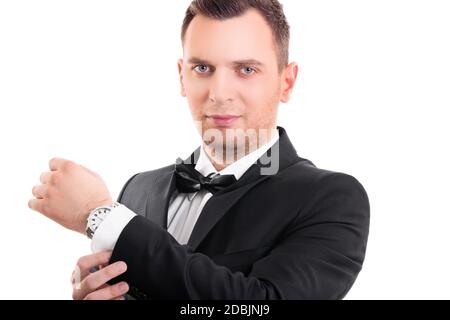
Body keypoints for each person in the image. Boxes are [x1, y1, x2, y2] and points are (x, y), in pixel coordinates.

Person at [28, 0, 370, 300]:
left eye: (246, 69)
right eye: (203, 68)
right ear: (182, 76)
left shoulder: (331, 198)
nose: (220, 92)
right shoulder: (139, 188)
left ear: (287, 82)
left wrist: (100, 214)